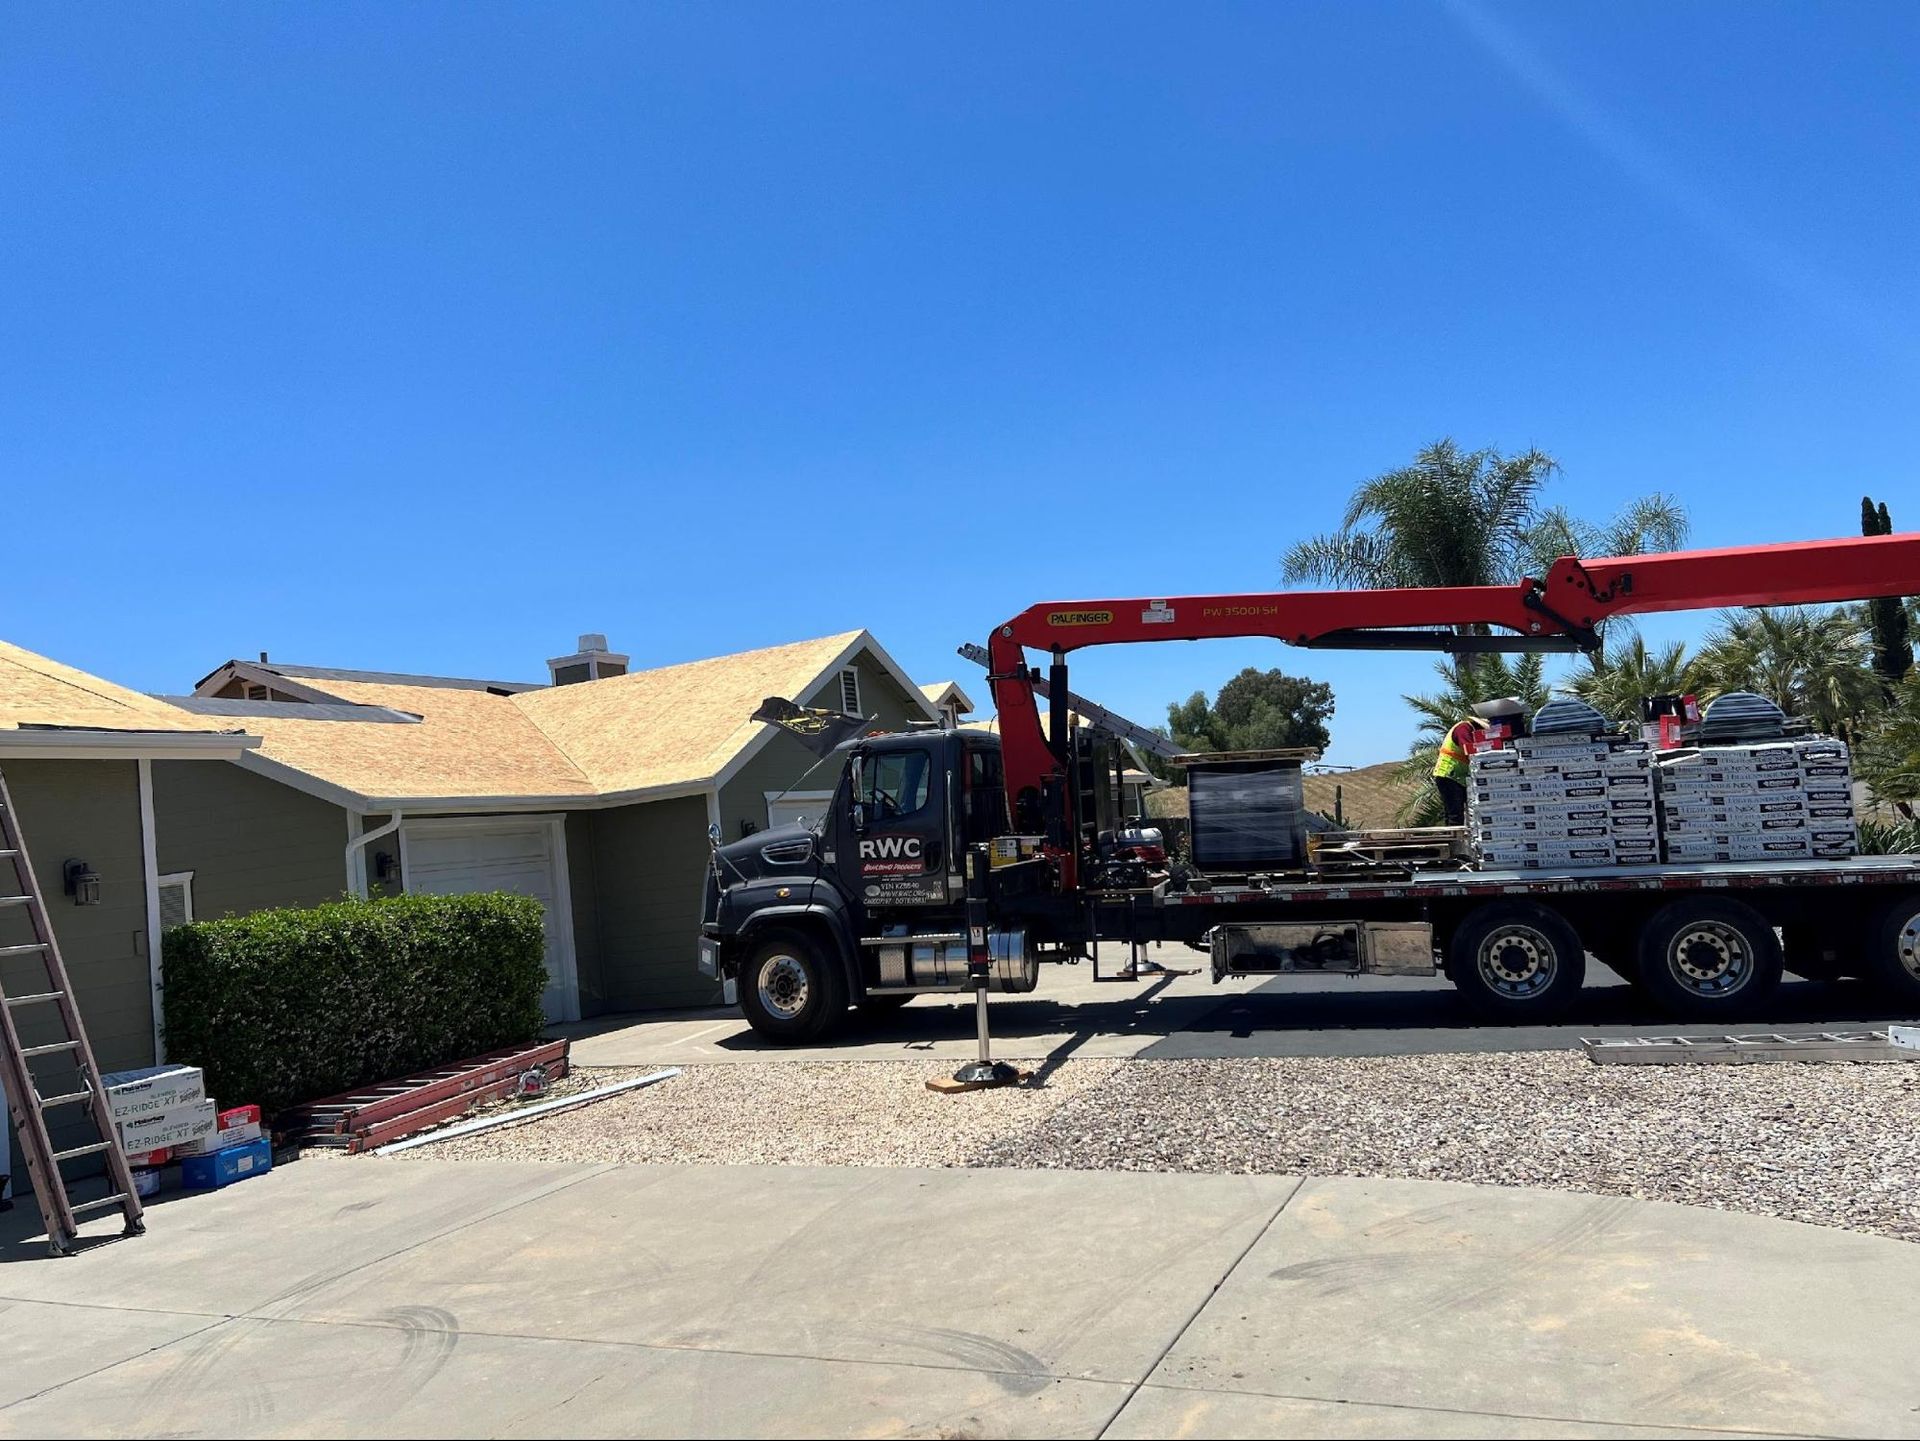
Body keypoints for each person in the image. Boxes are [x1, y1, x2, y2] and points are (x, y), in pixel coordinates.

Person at [1431, 697, 1529, 826]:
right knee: (1455, 813)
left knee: (1470, 810)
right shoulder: (1463, 728)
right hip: (1449, 774)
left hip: (1459, 776)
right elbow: (1469, 750)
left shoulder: (1470, 730)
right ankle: (1454, 843)